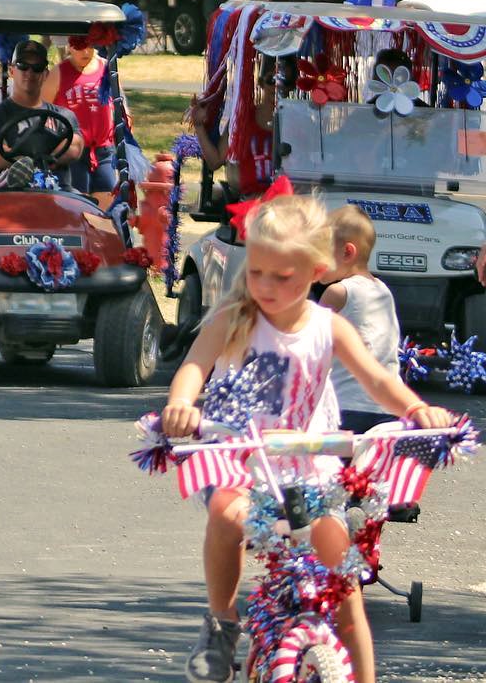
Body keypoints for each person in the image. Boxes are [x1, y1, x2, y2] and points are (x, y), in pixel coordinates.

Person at [159, 195, 452, 683]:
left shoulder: (328, 327)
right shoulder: (235, 318)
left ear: (318, 269)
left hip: (307, 472)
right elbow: (195, 364)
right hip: (244, 463)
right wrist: (183, 403)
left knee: (345, 581)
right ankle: (222, 623)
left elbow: (378, 380)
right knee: (226, 512)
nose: (266, 286)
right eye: (257, 272)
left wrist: (417, 408)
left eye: (282, 276)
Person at [319, 205, 402, 433]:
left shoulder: (338, 292)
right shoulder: (384, 291)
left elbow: (313, 345)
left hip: (346, 406)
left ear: (347, 253)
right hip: (389, 408)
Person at [0, 39, 82, 190]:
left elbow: (75, 147)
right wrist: (41, 159)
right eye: (23, 66)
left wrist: (34, 158)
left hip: (59, 194)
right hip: (13, 195)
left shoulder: (64, 115)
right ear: (12, 70)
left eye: (37, 68)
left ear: (45, 74)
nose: (29, 72)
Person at [191, 56, 293, 200]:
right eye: (272, 80)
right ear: (261, 82)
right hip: (251, 202)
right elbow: (215, 161)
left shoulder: (296, 122)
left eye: (285, 82)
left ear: (292, 86)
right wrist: (199, 126)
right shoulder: (242, 119)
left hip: (285, 202)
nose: (277, 88)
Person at [42, 35, 116, 199]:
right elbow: (43, 111)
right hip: (73, 150)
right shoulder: (59, 73)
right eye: (79, 46)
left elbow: (119, 103)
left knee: (107, 201)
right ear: (69, 46)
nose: (85, 51)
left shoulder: (106, 68)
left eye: (89, 46)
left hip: (103, 150)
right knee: (78, 202)